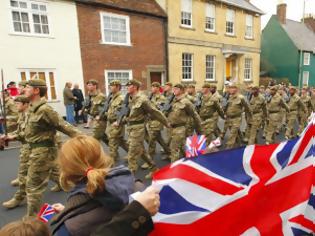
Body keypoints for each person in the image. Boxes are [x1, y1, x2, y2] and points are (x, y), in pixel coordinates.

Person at [1, 79, 82, 217]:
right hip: (34, 152)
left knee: (33, 188)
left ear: (36, 90)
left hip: (43, 153)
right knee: (39, 184)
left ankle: (33, 223)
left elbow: (65, 126)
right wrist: (10, 137)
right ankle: (72, 199)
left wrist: (87, 142)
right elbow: (28, 132)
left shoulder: (44, 109)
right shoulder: (32, 109)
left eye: (27, 87)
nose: (23, 90)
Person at [50, 135, 159, 236]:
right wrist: (73, 211)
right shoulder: (141, 191)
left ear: (66, 173)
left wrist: (74, 214)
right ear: (103, 159)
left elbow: (93, 211)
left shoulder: (68, 228)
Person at [113, 80, 169, 179]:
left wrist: (166, 123)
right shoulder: (129, 99)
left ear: (135, 87)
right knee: (141, 151)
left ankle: (131, 180)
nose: (127, 87)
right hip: (130, 129)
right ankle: (154, 168)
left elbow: (154, 112)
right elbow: (128, 116)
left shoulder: (142, 99)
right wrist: (119, 122)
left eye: (129, 85)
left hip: (138, 129)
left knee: (132, 155)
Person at [2, 96, 31, 209]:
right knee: (25, 174)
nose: (15, 106)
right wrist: (9, 135)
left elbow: (28, 133)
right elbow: (20, 130)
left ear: (25, 104)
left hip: (36, 149)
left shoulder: (31, 115)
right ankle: (21, 196)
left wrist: (12, 137)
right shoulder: (22, 115)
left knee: (33, 177)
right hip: (27, 148)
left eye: (18, 104)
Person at [167, 83, 202, 162]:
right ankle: (191, 163)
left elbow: (195, 115)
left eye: (176, 89)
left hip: (180, 129)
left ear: (182, 90)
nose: (174, 90)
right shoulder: (173, 100)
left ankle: (174, 170)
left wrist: (200, 130)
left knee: (174, 150)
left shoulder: (186, 102)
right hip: (172, 128)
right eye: (174, 88)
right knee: (184, 149)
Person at [222, 83, 251, 149]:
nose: (231, 89)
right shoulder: (229, 97)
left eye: (233, 88)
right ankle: (239, 145)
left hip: (237, 119)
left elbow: (247, 107)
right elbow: (226, 107)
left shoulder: (241, 98)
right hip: (229, 119)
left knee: (232, 134)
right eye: (230, 88)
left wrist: (250, 117)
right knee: (236, 133)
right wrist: (224, 114)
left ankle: (228, 149)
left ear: (236, 89)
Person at [106, 80, 128, 162]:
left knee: (112, 143)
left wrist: (119, 122)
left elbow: (125, 113)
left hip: (117, 124)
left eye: (112, 85)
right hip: (110, 123)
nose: (110, 87)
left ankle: (112, 161)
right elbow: (111, 110)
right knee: (121, 141)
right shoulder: (112, 97)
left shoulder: (122, 98)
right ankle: (134, 153)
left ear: (118, 87)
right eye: (110, 85)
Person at [146, 82, 170, 159]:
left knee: (151, 140)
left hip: (157, 121)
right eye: (151, 87)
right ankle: (169, 152)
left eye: (153, 87)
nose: (152, 88)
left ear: (157, 88)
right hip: (150, 121)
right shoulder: (150, 97)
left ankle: (150, 159)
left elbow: (161, 111)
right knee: (159, 139)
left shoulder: (162, 98)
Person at [84, 79, 108, 145]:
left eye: (90, 85)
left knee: (94, 139)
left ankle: (95, 153)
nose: (88, 86)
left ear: (95, 86)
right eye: (87, 85)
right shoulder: (89, 96)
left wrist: (100, 116)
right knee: (104, 137)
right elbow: (89, 106)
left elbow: (106, 108)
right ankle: (113, 145)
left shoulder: (101, 96)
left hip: (101, 120)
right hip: (94, 119)